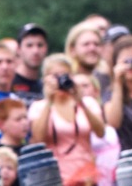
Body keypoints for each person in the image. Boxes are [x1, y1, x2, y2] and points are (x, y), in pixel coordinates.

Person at [30, 54, 105, 186]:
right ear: (45, 79)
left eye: (65, 75)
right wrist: (49, 101)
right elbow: (38, 139)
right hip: (55, 178)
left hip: (86, 176)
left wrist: (80, 100)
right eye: (55, 76)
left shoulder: (88, 103)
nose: (60, 80)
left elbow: (100, 132)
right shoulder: (38, 107)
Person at [64, 23, 108, 94]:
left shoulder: (107, 79)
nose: (92, 48)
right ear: (72, 50)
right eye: (86, 44)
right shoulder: (66, 79)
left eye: (96, 44)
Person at [14, 25, 50, 99]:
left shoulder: (47, 87)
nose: (35, 51)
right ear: (18, 49)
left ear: (46, 48)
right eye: (29, 45)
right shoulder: (7, 83)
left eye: (40, 45)